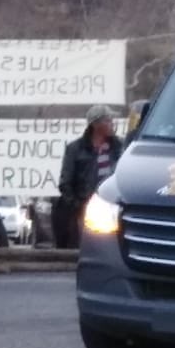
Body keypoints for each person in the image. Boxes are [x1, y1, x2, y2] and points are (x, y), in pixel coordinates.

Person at [58, 104, 123, 248]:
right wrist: (78, 207)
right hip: (86, 211)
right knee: (90, 248)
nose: (112, 124)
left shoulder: (119, 147)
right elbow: (65, 182)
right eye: (108, 120)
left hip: (114, 209)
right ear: (95, 124)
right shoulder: (75, 149)